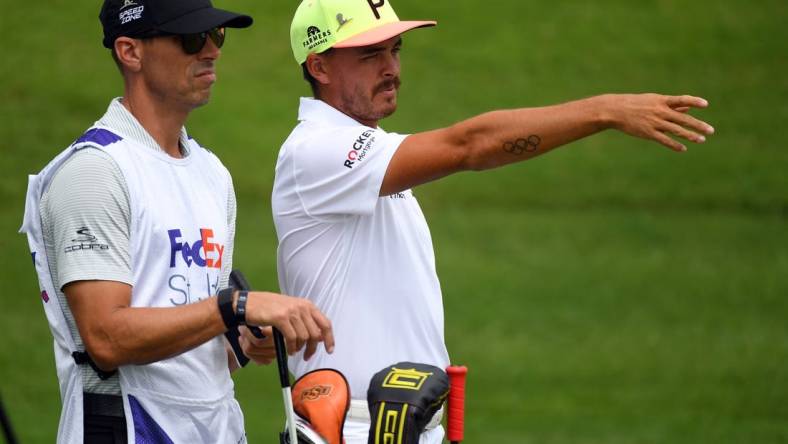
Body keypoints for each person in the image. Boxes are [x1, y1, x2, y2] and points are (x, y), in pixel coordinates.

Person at [271, 0, 716, 442]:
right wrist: (605, 111)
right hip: (350, 430)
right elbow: (470, 145)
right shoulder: (317, 151)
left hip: (403, 425)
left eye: (396, 48)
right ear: (320, 67)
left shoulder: (367, 153)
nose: (391, 67)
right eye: (370, 54)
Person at [19, 0, 334, 442]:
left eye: (216, 35)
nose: (212, 51)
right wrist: (235, 307)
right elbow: (106, 340)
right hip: (127, 428)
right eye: (191, 39)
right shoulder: (94, 172)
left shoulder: (212, 173)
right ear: (130, 52)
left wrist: (244, 340)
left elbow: (200, 337)